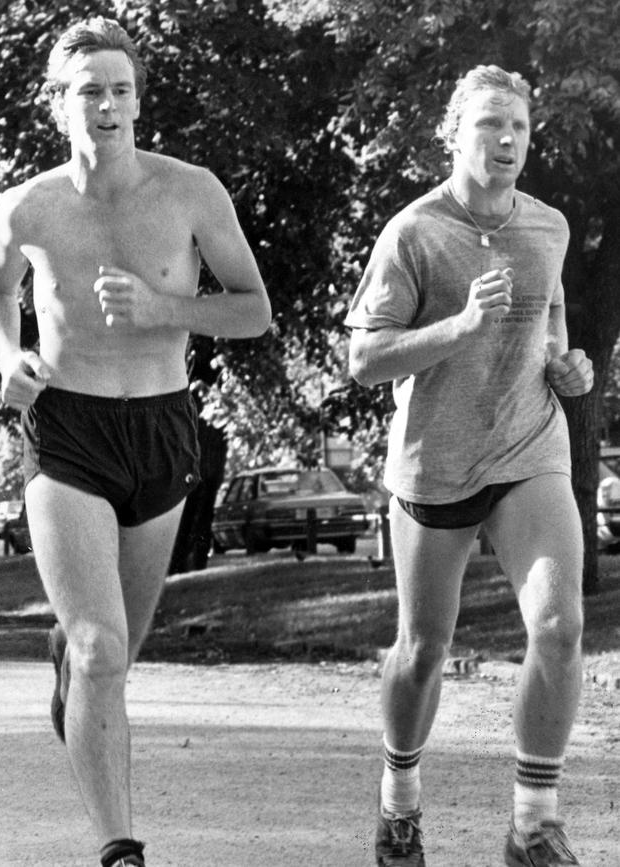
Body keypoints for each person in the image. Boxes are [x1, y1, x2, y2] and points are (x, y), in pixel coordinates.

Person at [0, 17, 270, 867]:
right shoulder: (26, 205)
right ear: (57, 103)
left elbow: (253, 310)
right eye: (89, 90)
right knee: (107, 648)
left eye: (120, 89)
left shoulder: (190, 192)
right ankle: (121, 849)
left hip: (161, 429)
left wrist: (165, 309)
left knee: (113, 656)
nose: (107, 106)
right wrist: (12, 356)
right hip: (65, 431)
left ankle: (74, 664)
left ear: (138, 100)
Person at [345, 65, 593, 866]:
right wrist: (454, 329)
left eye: (518, 126)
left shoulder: (548, 227)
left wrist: (565, 367)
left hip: (530, 448)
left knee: (559, 626)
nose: (507, 140)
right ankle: (399, 805)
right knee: (422, 649)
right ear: (453, 133)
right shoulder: (414, 232)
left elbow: (549, 319)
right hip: (436, 465)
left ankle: (533, 821)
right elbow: (363, 358)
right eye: (489, 124)